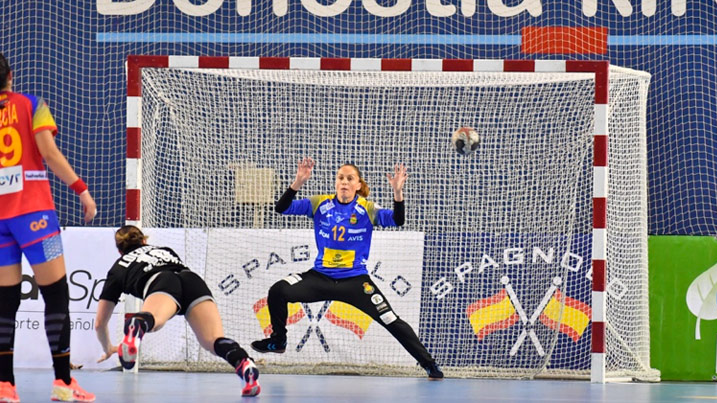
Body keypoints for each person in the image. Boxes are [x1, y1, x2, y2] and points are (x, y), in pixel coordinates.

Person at [251, 157, 444, 380]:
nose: (344, 182)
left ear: (358, 185)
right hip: (320, 277)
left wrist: (398, 194)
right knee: (278, 290)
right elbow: (281, 208)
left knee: (391, 319)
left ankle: (429, 364)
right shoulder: (319, 204)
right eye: (340, 177)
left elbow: (397, 220)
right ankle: (278, 341)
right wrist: (297, 183)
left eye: (349, 178)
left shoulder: (368, 209)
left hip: (355, 282)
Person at [0, 53, 97, 402]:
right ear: (11, 75)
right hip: (35, 217)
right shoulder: (32, 105)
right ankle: (62, 382)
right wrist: (82, 190)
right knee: (55, 293)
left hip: (0, 220)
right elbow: (50, 153)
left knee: (4, 301)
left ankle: (4, 385)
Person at [94, 226, 261, 397]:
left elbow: (100, 322)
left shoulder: (118, 268)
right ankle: (245, 364)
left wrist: (108, 348)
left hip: (161, 281)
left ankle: (138, 325)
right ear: (144, 241)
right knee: (213, 340)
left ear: (119, 250)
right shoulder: (165, 250)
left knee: (154, 320)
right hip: (192, 280)